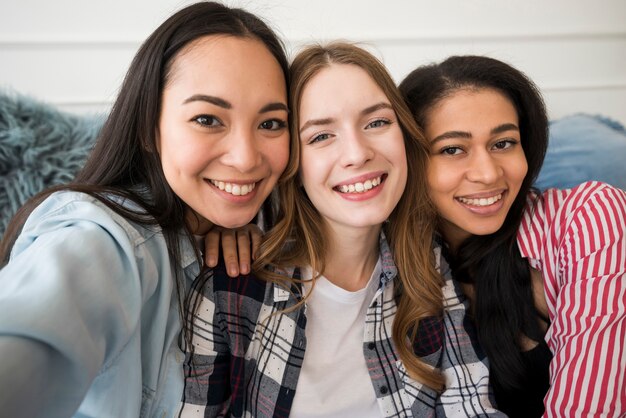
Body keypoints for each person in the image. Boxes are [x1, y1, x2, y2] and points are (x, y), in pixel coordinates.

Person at [181, 42, 504, 418]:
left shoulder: (425, 259)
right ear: (293, 164)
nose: (357, 153)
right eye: (321, 136)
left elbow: (470, 402)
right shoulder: (229, 286)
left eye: (377, 123)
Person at [0, 2, 291, 417]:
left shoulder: (266, 235)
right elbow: (32, 337)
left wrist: (250, 225)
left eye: (270, 123)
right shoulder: (106, 239)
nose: (245, 159)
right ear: (148, 128)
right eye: (208, 119)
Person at [399, 55, 626, 417]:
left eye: (503, 143)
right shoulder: (398, 265)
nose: (488, 174)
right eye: (452, 149)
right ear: (407, 159)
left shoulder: (590, 215)